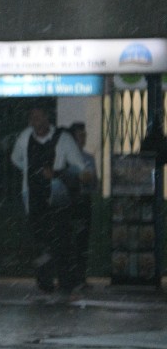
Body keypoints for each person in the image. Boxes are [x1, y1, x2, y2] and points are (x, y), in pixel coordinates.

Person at [10, 108, 86, 296]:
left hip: (58, 197)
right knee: (41, 242)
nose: (36, 121)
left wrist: (58, 174)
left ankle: (65, 281)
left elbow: (79, 168)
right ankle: (45, 282)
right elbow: (16, 159)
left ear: (47, 118)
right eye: (33, 117)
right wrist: (31, 173)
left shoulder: (64, 139)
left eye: (39, 116)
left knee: (62, 239)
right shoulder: (24, 138)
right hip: (34, 197)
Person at [68, 122, 98, 289]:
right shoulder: (66, 157)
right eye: (80, 136)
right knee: (72, 240)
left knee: (83, 240)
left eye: (84, 136)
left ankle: (81, 276)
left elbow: (94, 183)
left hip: (84, 201)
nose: (83, 139)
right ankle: (71, 276)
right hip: (71, 201)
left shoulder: (89, 158)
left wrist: (88, 180)